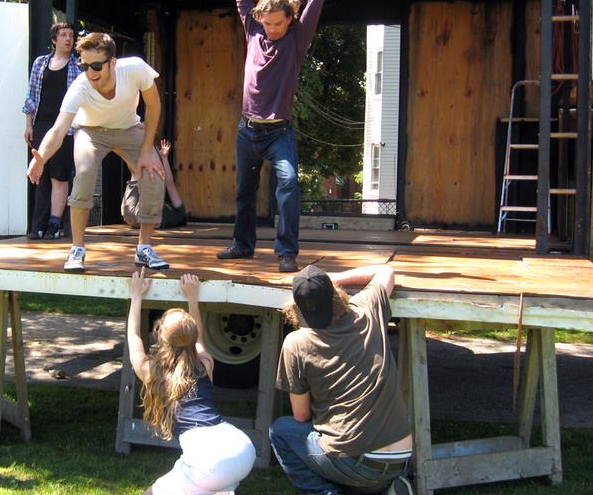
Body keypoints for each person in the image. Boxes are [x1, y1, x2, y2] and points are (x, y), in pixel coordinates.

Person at [27, 32, 168, 272]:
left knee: (154, 174)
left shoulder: (135, 69)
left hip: (128, 128)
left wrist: (147, 150)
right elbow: (59, 129)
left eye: (96, 66)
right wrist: (41, 158)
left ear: (112, 62)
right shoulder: (80, 86)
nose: (90, 73)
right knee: (84, 174)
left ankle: (144, 248)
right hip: (91, 131)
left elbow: (154, 106)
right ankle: (77, 249)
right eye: (84, 66)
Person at [270, 264, 414, 495]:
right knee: (357, 466)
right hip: (402, 456)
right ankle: (387, 488)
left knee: (281, 431)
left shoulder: (296, 343)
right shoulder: (367, 308)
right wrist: (334, 277)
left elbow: (301, 415)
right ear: (335, 293)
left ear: (297, 307)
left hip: (355, 462)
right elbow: (386, 271)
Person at [217, 0, 326, 273]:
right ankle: (242, 245)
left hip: (279, 133)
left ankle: (287, 252)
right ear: (260, 19)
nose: (273, 29)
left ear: (289, 18)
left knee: (289, 183)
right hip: (247, 130)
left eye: (279, 23)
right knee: (244, 191)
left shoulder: (298, 37)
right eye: (268, 23)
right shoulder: (253, 30)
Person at [127, 268, 256, 494]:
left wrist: (135, 296)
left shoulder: (152, 371)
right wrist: (193, 299)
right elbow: (199, 339)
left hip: (210, 462)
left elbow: (134, 338)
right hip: (241, 447)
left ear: (160, 337)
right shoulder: (205, 363)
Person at [22, 22, 82, 240]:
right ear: (54, 39)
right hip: (41, 124)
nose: (68, 39)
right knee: (40, 174)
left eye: (71, 35)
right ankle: (38, 225)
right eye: (63, 35)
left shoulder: (78, 66)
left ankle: (54, 225)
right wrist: (29, 124)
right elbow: (31, 96)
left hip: (65, 128)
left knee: (59, 176)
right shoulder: (40, 63)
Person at [121, 139, 187, 229]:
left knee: (143, 174)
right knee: (138, 174)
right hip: (136, 217)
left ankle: (140, 151)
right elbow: (170, 185)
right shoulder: (179, 213)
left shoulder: (180, 213)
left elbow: (170, 185)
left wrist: (164, 158)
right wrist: (164, 158)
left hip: (142, 217)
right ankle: (141, 152)